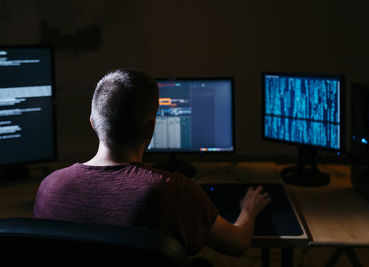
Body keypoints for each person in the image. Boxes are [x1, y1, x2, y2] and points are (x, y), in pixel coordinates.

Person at [33, 69, 271, 257]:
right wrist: (248, 210)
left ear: (93, 124)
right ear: (150, 127)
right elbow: (238, 245)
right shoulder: (174, 191)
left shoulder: (49, 187)